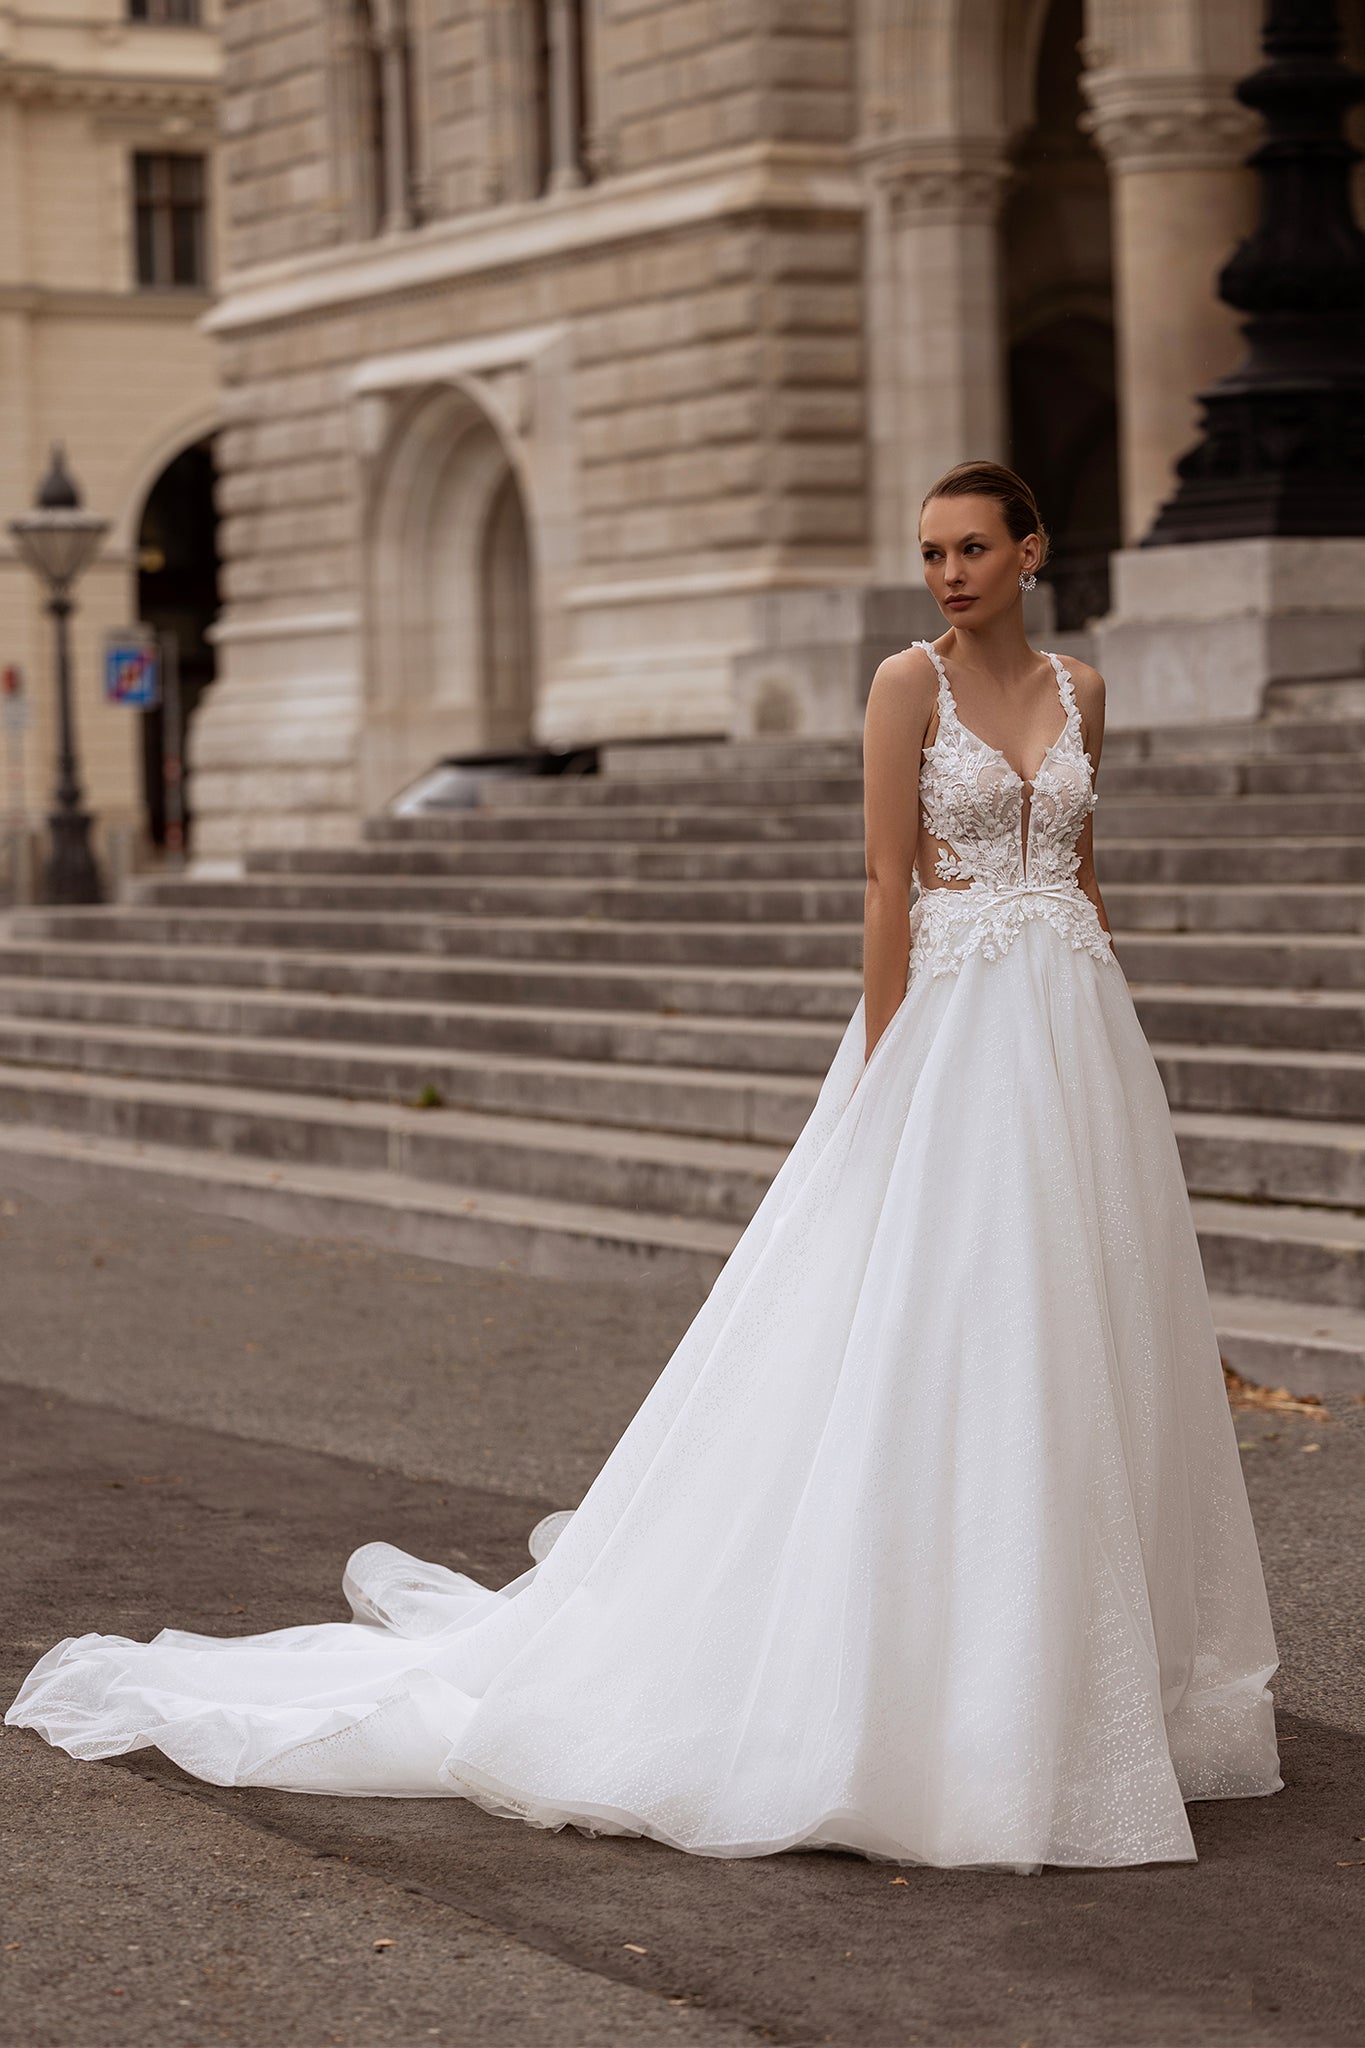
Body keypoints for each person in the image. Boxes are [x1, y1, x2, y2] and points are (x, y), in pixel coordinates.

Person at [6, 460, 1281, 1875]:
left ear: (1031, 550)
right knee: (943, 1326)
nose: (947, 572)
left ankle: (1075, 1681)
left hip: (1073, 1021)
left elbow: (1082, 870)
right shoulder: (900, 684)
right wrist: (879, 1069)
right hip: (953, 1024)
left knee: (1077, 1333)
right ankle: (936, 1702)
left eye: (972, 547)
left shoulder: (1085, 689)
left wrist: (1117, 1022)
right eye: (929, 550)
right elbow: (882, 881)